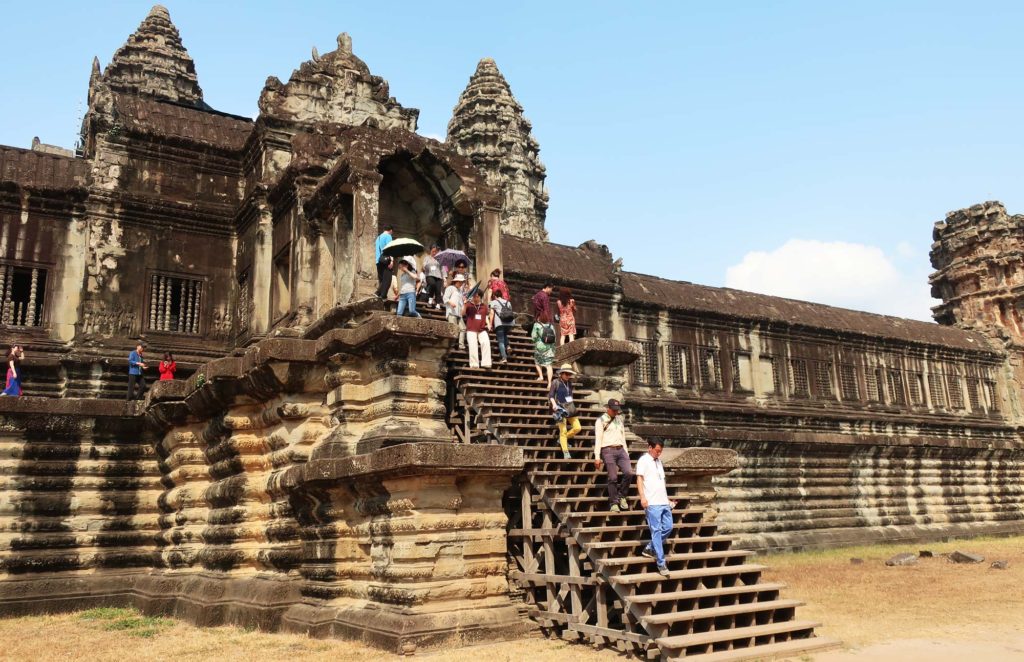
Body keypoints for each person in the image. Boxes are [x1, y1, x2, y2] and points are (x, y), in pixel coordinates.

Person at [637, 439, 674, 577]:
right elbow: (639, 479)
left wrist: (667, 499)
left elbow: (661, 482)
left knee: (669, 527)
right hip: (652, 502)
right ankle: (661, 562)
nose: (659, 453)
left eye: (660, 451)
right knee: (656, 531)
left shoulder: (659, 462)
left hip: (663, 501)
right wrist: (642, 497)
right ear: (650, 447)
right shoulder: (643, 460)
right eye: (657, 450)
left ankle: (650, 548)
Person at [594, 398, 632, 512]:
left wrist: (626, 453)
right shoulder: (601, 420)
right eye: (614, 410)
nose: (616, 412)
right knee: (613, 477)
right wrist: (597, 457)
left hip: (621, 449)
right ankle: (614, 502)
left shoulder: (619, 420)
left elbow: (623, 437)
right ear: (608, 408)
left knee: (629, 472)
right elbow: (598, 439)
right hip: (607, 450)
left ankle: (622, 496)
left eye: (617, 410)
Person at [549, 364, 581, 460]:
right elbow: (551, 395)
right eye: (566, 374)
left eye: (569, 374)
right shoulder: (555, 382)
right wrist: (554, 405)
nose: (568, 376)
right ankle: (565, 452)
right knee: (563, 431)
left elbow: (570, 396)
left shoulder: (569, 383)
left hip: (570, 408)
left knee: (578, 427)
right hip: (560, 408)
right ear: (561, 374)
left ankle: (563, 439)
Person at [463, 290, 492, 369]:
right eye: (474, 296)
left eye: (477, 297)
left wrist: (488, 324)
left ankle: (486, 363)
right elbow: (462, 313)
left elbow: (485, 316)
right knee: (473, 345)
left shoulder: (484, 306)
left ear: (480, 297)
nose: (475, 298)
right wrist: (464, 304)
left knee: (486, 343)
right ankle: (474, 364)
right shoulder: (469, 305)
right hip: (471, 328)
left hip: (482, 329)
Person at [443, 274, 468, 349]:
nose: (461, 283)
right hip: (451, 312)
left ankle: (461, 345)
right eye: (460, 282)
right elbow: (445, 298)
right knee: (453, 329)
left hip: (458, 313)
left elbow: (460, 303)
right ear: (456, 281)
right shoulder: (450, 288)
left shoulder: (460, 291)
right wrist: (451, 303)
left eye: (462, 282)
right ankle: (451, 345)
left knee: (463, 328)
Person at [488, 290, 514, 364]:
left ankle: (504, 358)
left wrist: (490, 324)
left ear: (494, 296)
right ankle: (508, 346)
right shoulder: (508, 302)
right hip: (509, 323)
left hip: (500, 323)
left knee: (501, 341)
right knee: (504, 334)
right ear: (501, 295)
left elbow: (492, 313)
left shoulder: (494, 302)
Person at [530, 311, 556, 383]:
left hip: (539, 348)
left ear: (539, 317)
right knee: (549, 365)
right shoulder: (551, 326)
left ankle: (541, 376)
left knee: (537, 362)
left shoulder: (536, 325)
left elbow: (533, 337)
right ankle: (549, 383)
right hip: (549, 349)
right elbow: (554, 338)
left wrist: (536, 341)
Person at [375, 225, 394, 300]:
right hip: (385, 260)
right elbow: (390, 248)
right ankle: (380, 294)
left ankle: (381, 296)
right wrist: (392, 260)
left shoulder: (378, 238)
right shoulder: (388, 236)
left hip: (378, 261)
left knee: (382, 280)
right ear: (391, 230)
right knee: (388, 279)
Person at [423, 245, 445, 309]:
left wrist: (445, 279)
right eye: (433, 251)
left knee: (438, 290)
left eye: (436, 251)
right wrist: (426, 266)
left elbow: (443, 269)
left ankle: (438, 305)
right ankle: (430, 298)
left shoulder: (440, 259)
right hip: (429, 275)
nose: (434, 253)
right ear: (430, 251)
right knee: (432, 284)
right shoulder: (427, 258)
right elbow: (424, 266)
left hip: (438, 276)